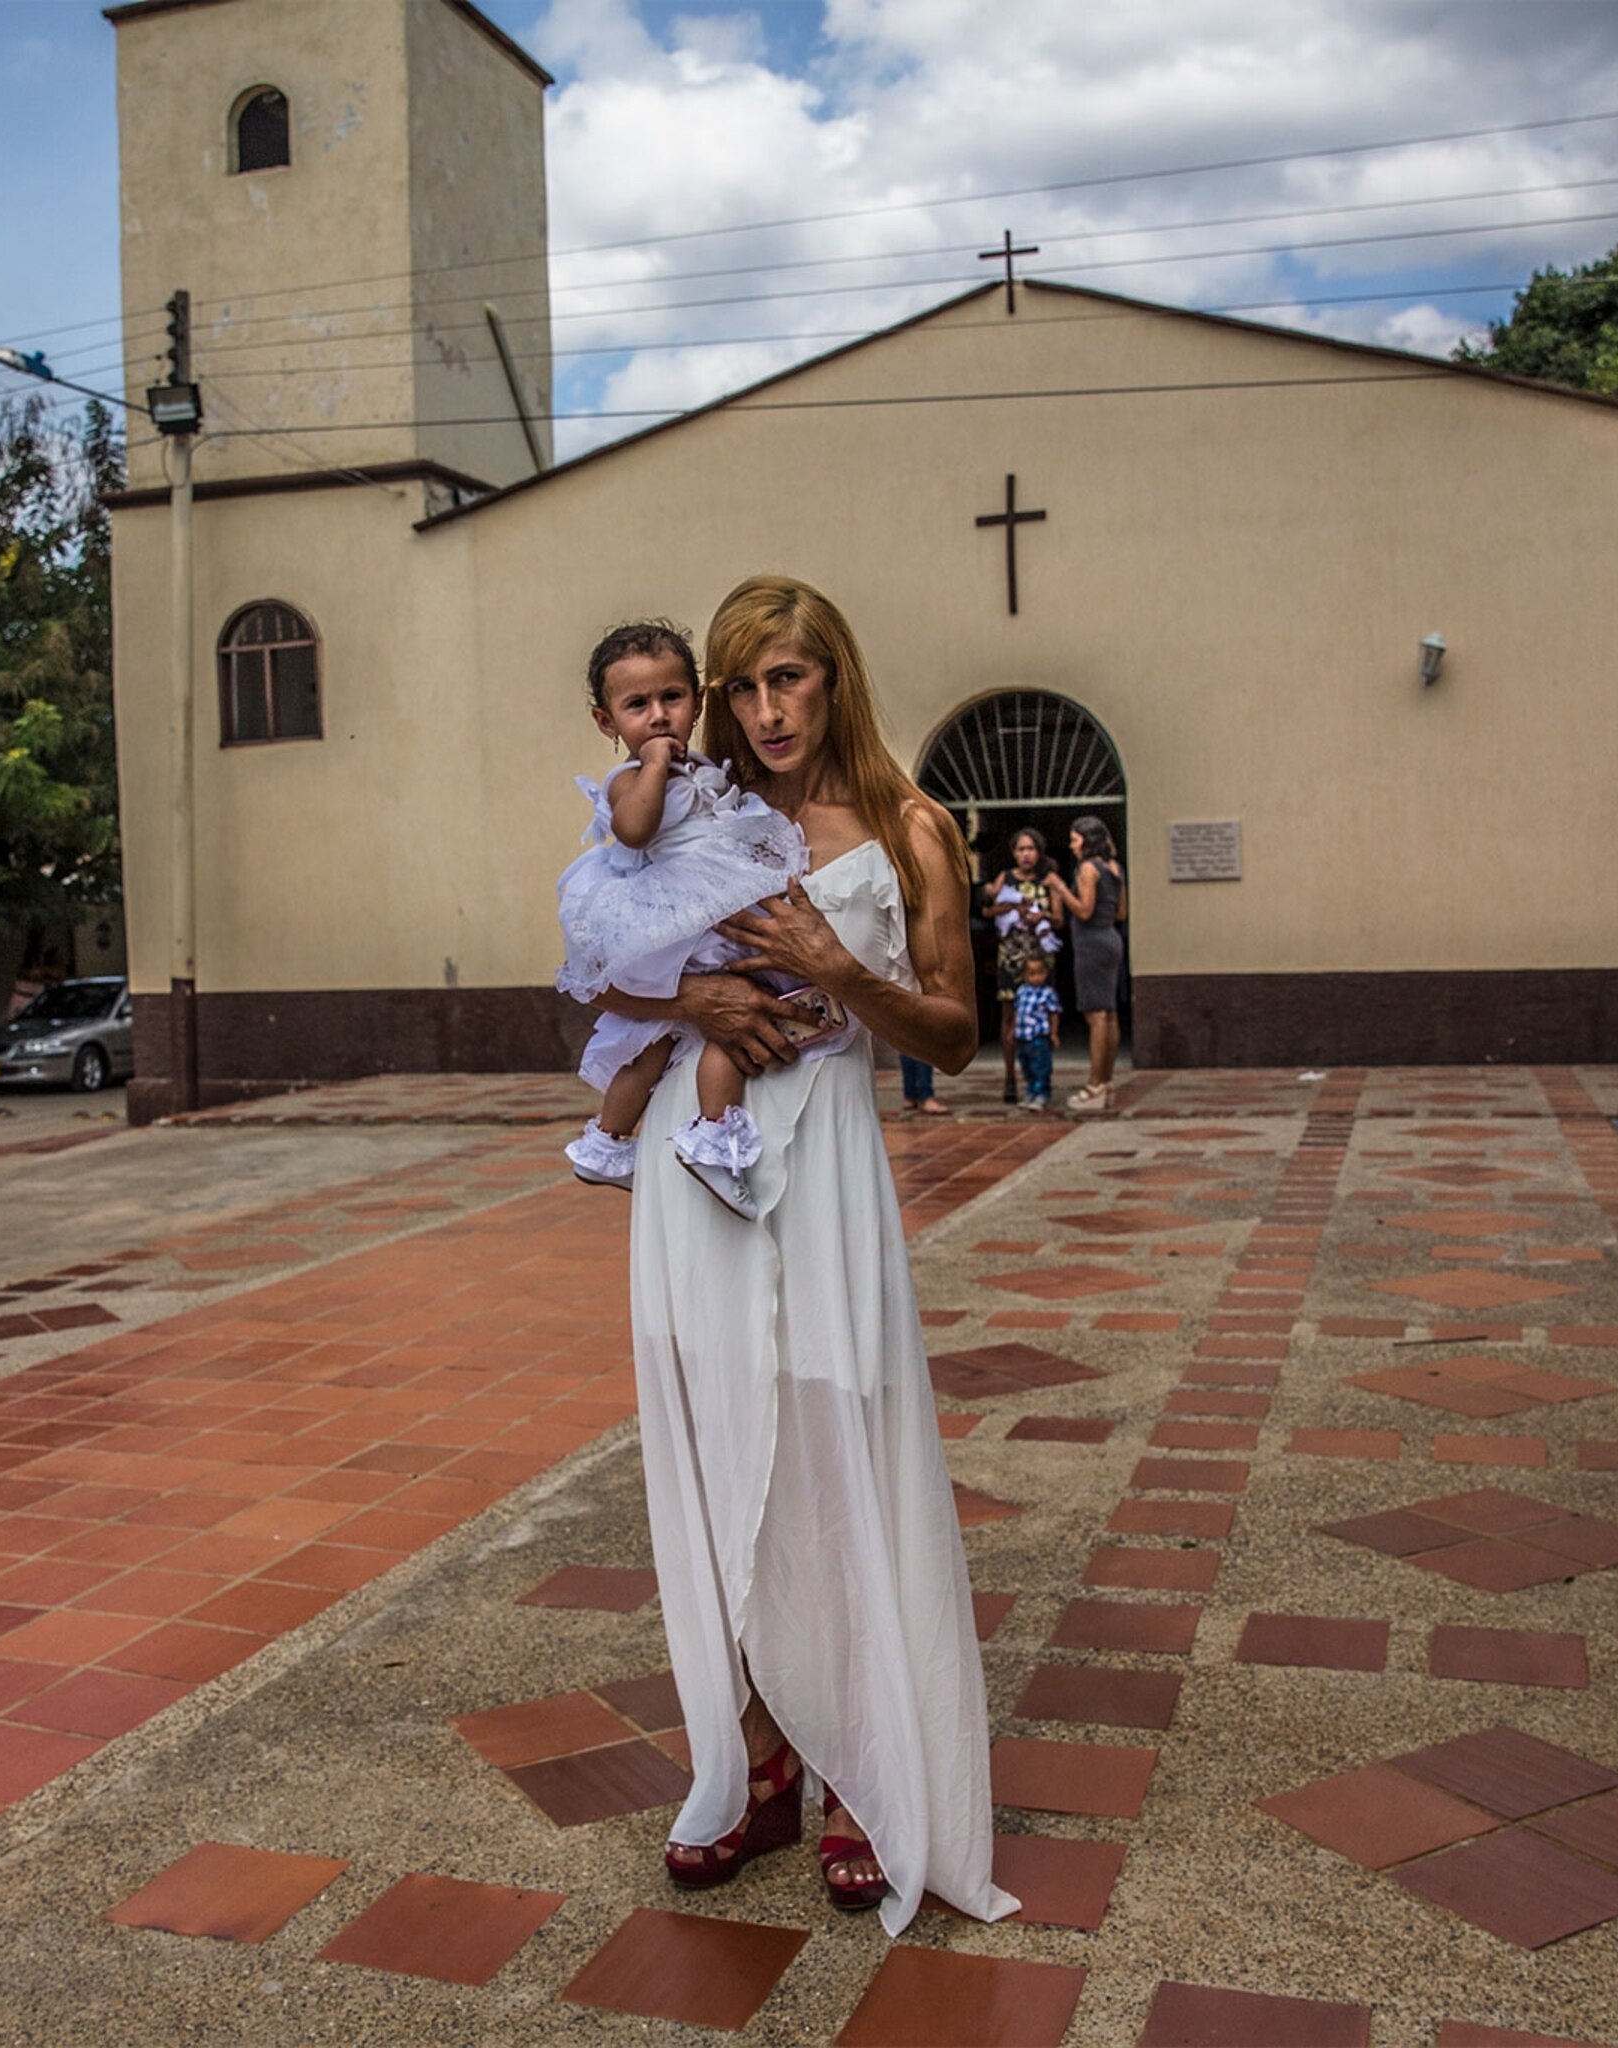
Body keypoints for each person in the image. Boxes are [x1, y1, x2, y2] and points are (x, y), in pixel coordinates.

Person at [591, 573, 1017, 1931]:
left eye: (791, 679)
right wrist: (692, 994)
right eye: (742, 687)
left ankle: (858, 1769)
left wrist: (839, 968)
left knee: (833, 1450)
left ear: (837, 677)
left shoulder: (910, 828)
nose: (767, 712)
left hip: (824, 1170)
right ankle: (756, 1761)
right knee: (723, 1460)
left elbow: (954, 1035)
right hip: (693, 1168)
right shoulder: (695, 815)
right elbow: (596, 955)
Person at [555, 619, 818, 1213]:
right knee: (647, 1045)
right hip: (671, 925)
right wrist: (650, 766)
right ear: (607, 722)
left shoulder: (703, 767)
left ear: (696, 702)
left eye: (671, 698)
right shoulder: (628, 780)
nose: (657, 716)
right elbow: (635, 829)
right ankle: (608, 1141)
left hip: (715, 921)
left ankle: (713, 1137)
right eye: (636, 705)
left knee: (724, 1031)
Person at [1047, 815, 1125, 1113]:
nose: (1071, 845)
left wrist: (1060, 887)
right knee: (1109, 1013)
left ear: (1087, 840)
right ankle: (1106, 1081)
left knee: (1095, 1016)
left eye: (1075, 839)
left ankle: (1094, 1086)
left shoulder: (1088, 868)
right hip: (1111, 938)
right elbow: (1121, 912)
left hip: (1091, 944)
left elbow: (1083, 910)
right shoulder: (1115, 868)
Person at [983, 829, 1061, 1102]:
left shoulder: (1048, 880)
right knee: (1010, 1018)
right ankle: (1010, 1077)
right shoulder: (1005, 878)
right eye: (1020, 849)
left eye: (1030, 849)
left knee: (1042, 1016)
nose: (1026, 854)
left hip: (1039, 957)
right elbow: (987, 910)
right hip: (1011, 958)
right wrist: (1007, 909)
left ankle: (1040, 1080)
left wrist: (1043, 916)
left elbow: (1060, 919)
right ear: (1013, 853)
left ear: (1039, 851)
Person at [1008, 952, 1061, 1110]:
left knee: (1041, 1066)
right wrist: (1013, 1029)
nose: (1036, 978)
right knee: (1026, 1066)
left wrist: (1054, 1033)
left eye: (1040, 973)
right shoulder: (1021, 991)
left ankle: (1042, 1094)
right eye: (1031, 974)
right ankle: (1031, 1092)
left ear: (1045, 973)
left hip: (1039, 1036)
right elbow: (1017, 1012)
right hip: (1023, 1036)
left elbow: (1054, 1013)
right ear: (1024, 975)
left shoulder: (1048, 993)